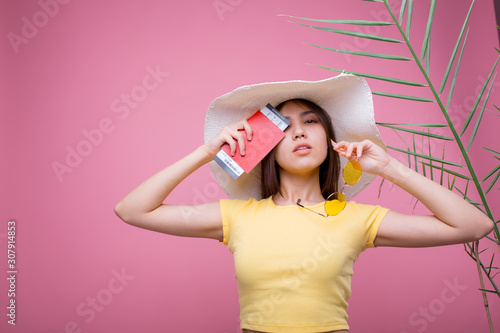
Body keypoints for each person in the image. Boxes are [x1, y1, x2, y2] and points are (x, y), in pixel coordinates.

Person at [114, 74, 494, 333]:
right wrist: (206, 151)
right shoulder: (237, 217)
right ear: (266, 148)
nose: (298, 130)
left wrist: (390, 167)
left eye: (310, 121)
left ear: (328, 138)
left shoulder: (357, 219)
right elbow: (132, 210)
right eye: (283, 125)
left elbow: (474, 226)